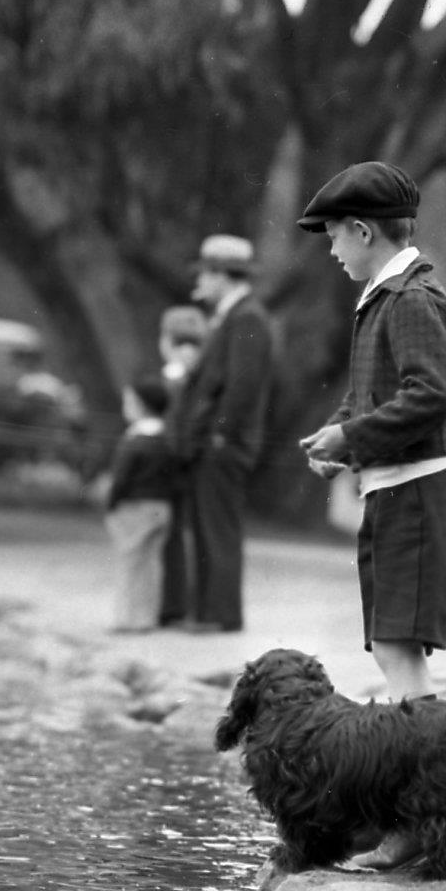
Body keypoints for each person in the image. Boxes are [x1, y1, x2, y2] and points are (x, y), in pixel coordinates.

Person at [294, 162, 446, 704]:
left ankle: (431, 768)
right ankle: (421, 761)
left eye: (334, 238)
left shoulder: (411, 298)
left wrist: (349, 440)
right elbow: (368, 393)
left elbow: (436, 394)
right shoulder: (384, 295)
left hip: (424, 491)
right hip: (400, 490)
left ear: (362, 230)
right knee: (386, 644)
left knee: (397, 646)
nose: (332, 252)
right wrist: (335, 432)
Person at [169, 235, 276, 632]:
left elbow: (241, 386)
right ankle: (210, 613)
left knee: (217, 528)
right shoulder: (233, 316)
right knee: (210, 526)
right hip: (216, 443)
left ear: (221, 276)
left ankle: (219, 615)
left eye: (206, 274)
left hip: (223, 446)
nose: (202, 283)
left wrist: (219, 435)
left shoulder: (246, 317)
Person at [102, 376, 183, 632]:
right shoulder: (168, 440)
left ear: (140, 405)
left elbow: (121, 479)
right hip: (162, 507)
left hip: (134, 507)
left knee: (130, 563)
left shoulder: (135, 441)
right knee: (151, 564)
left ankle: (126, 619)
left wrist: (111, 504)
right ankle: (147, 618)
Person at [156, 304, 207, 626]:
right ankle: (181, 603)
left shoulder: (171, 379)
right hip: (189, 462)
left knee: (170, 537)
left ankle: (172, 604)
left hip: (169, 464)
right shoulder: (201, 378)